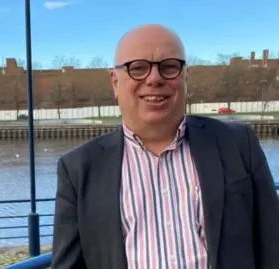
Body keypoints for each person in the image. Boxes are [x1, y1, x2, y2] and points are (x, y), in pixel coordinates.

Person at [51, 24, 279, 269]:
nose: (154, 79)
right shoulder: (78, 169)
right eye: (137, 68)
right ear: (115, 82)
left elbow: (272, 246)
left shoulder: (238, 144)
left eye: (169, 67)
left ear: (185, 77)